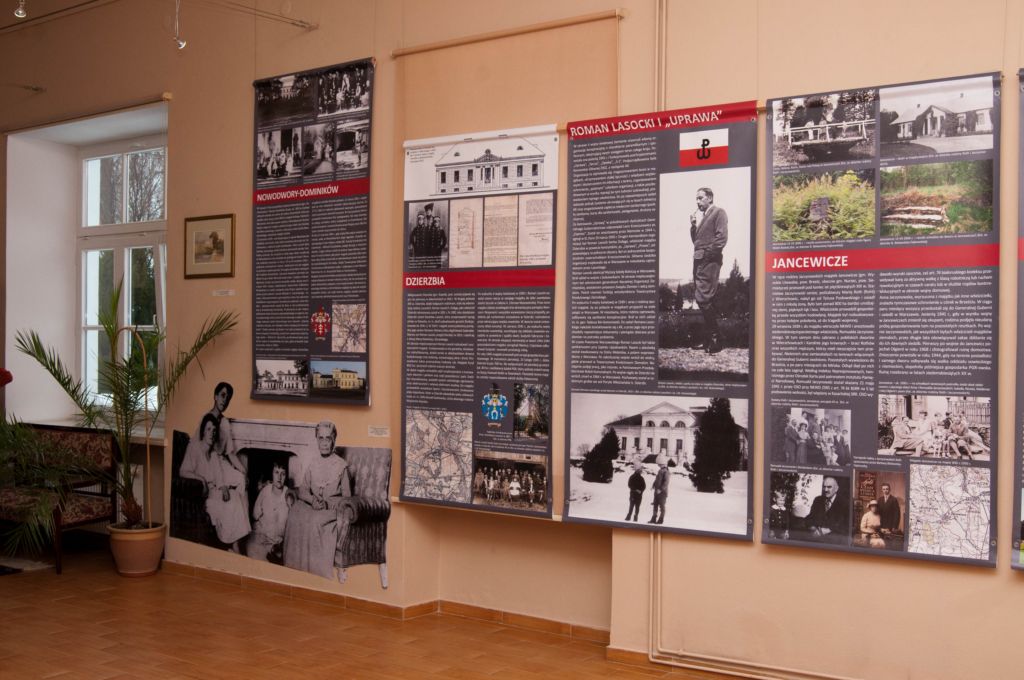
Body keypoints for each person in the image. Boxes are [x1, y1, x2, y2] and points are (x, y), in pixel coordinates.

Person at [283, 421, 352, 582]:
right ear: (316, 440)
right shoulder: (313, 463)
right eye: (321, 438)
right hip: (314, 505)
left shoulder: (341, 466)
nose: (324, 443)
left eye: (328, 438)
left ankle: (315, 574)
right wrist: (312, 499)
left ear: (334, 440)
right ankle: (294, 570)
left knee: (314, 520)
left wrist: (328, 503)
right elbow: (303, 490)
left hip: (331, 510)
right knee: (294, 514)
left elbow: (348, 497)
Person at [689, 187, 727, 354]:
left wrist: (706, 256)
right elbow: (696, 242)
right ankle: (710, 338)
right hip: (699, 260)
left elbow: (721, 239)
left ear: (710, 198)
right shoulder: (703, 217)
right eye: (696, 199)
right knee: (702, 297)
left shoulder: (719, 212)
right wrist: (693, 226)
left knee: (703, 297)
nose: (697, 201)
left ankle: (716, 339)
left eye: (700, 198)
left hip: (709, 261)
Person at [247, 461, 292, 562]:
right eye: (276, 472)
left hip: (279, 542)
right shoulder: (265, 491)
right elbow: (255, 515)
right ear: (272, 474)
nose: (279, 477)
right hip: (262, 537)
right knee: (254, 553)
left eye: (283, 474)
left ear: (286, 476)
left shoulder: (288, 494)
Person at [805, 476, 848, 544]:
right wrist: (813, 528)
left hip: (835, 542)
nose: (825, 490)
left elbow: (847, 526)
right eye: (824, 487)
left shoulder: (845, 503)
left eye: (829, 487)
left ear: (836, 488)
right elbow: (810, 518)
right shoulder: (818, 500)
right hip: (816, 540)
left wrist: (829, 530)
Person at [648, 455, 670, 524]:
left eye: (659, 464)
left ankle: (661, 519)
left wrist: (660, 489)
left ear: (663, 464)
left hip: (662, 492)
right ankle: (654, 518)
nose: (658, 465)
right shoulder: (660, 471)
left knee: (662, 506)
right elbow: (657, 480)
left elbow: (666, 482)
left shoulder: (666, 472)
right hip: (656, 491)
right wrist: (653, 485)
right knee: (655, 505)